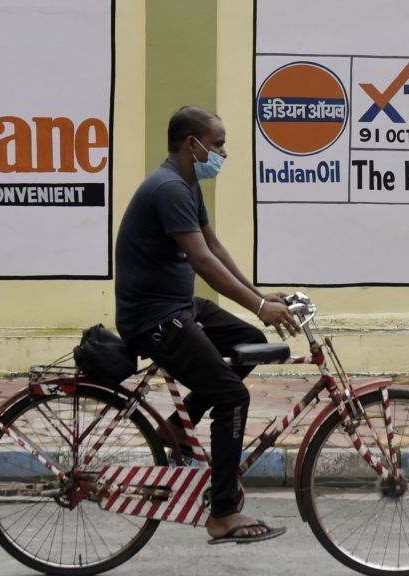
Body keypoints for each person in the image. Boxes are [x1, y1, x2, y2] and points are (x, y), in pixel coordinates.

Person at [114, 106, 300, 544]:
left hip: (178, 307)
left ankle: (179, 425)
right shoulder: (168, 189)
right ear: (191, 145)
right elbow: (200, 259)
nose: (222, 152)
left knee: (251, 342)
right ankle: (222, 513)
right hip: (154, 318)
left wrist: (258, 294)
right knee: (232, 396)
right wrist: (256, 305)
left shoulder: (185, 183)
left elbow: (213, 246)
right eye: (217, 145)